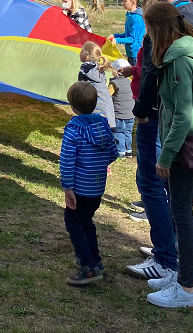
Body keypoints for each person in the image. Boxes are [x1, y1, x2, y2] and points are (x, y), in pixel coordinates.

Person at [127, 0, 193, 278]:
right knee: (172, 197)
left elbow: (155, 74)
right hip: (173, 119)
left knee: (155, 186)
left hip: (166, 119)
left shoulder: (169, 32)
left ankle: (167, 260)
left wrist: (141, 110)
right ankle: (169, 251)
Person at [143, 1, 193, 308]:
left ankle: (185, 289)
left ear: (159, 30)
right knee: (177, 212)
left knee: (182, 216)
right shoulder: (176, 55)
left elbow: (183, 115)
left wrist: (165, 157)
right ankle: (180, 274)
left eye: (149, 29)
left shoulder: (181, 60)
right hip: (178, 142)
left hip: (185, 145)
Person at [60, 81, 118, 286]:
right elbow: (113, 152)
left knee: (73, 222)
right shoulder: (103, 125)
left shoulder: (73, 131)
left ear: (73, 107)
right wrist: (99, 166)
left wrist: (68, 188)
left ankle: (89, 266)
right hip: (96, 189)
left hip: (80, 189)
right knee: (86, 221)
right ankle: (95, 259)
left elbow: (67, 161)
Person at [78, 41, 115, 129]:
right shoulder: (99, 68)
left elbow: (80, 89)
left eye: (81, 51)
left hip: (96, 112)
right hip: (108, 115)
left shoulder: (85, 69)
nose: (79, 53)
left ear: (86, 56)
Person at [107, 0, 145, 65]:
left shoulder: (136, 19)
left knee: (135, 74)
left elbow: (132, 38)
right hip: (130, 52)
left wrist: (117, 40)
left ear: (133, 3)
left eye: (125, 1)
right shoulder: (129, 15)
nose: (122, 3)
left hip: (136, 53)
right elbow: (128, 34)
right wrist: (115, 36)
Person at [110, 59, 135, 158]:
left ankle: (120, 151)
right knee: (128, 132)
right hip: (130, 113)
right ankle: (128, 150)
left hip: (119, 113)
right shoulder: (130, 81)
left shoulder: (114, 84)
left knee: (119, 131)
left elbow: (108, 95)